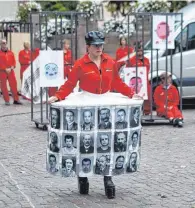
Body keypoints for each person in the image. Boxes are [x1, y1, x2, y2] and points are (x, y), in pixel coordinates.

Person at [48, 30, 142, 199]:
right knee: (87, 140)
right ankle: (83, 177)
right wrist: (58, 95)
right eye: (96, 45)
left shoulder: (109, 62)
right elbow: (70, 84)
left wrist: (130, 93)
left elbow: (117, 82)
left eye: (101, 45)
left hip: (104, 105)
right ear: (88, 47)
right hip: (86, 105)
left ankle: (108, 178)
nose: (99, 48)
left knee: (107, 142)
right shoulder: (80, 64)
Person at [126, 40, 151, 115]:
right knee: (135, 98)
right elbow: (128, 71)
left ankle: (147, 112)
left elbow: (148, 69)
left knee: (147, 97)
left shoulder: (146, 60)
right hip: (135, 83)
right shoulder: (131, 60)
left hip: (145, 81)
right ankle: (134, 113)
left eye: (141, 51)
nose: (140, 53)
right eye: (138, 51)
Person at [0, 39, 22, 105]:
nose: (4, 44)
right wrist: (4, 68)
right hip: (2, 72)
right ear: (0, 44)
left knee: (13, 85)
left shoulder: (11, 52)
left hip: (11, 71)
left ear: (6, 43)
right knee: (3, 86)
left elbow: (14, 62)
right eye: (2, 43)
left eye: (5, 43)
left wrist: (12, 67)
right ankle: (7, 100)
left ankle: (16, 100)